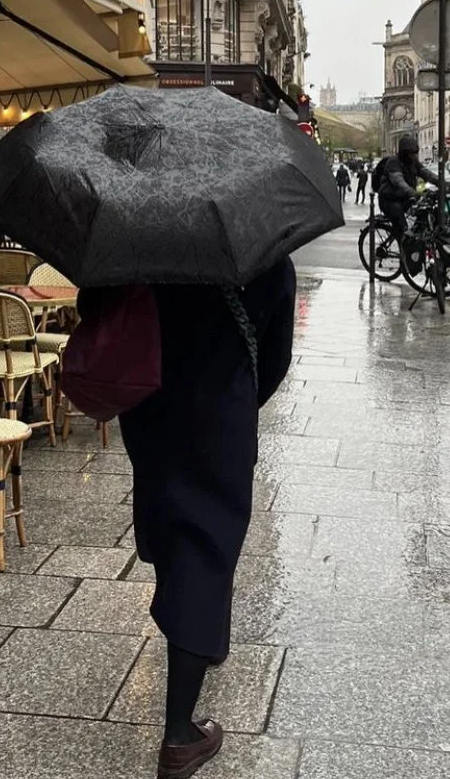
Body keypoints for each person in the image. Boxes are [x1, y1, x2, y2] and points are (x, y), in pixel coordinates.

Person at [94, 258, 295, 779]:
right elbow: (273, 361)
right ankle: (180, 736)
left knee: (174, 527)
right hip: (219, 421)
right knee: (205, 549)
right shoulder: (265, 259)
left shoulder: (140, 248)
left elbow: (93, 313)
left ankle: (201, 638)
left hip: (151, 415)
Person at [373, 135, 440, 239]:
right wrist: (411, 191)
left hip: (404, 198)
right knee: (403, 229)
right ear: (404, 153)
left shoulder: (413, 162)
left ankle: (417, 238)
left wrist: (443, 182)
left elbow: (427, 174)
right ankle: (405, 249)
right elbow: (398, 181)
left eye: (415, 153)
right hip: (390, 200)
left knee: (424, 212)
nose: (414, 156)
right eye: (411, 153)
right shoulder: (393, 162)